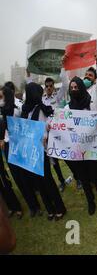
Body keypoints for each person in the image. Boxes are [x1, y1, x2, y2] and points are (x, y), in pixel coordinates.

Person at [64, 77, 97, 215]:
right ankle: (91, 202)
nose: (73, 90)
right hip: (77, 150)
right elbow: (64, 127)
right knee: (83, 178)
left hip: (92, 148)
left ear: (81, 88)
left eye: (76, 87)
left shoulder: (91, 104)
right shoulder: (67, 108)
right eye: (71, 88)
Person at [22, 83, 67, 221]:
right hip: (30, 151)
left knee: (47, 181)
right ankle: (50, 209)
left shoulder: (41, 109)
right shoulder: (25, 110)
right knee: (38, 183)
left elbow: (48, 125)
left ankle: (60, 208)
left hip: (42, 150)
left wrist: (46, 136)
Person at [26, 71, 68, 192]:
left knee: (66, 156)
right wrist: (29, 76)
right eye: (47, 86)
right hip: (47, 133)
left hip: (59, 131)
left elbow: (65, 85)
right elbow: (31, 90)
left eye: (51, 85)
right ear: (45, 87)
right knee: (53, 159)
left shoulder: (58, 97)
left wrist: (62, 69)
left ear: (54, 86)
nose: (49, 88)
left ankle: (78, 178)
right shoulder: (41, 99)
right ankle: (61, 180)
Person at [0, 87, 23, 219]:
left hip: (12, 144)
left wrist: (2, 138)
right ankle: (9, 207)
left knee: (6, 179)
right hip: (7, 145)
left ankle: (17, 207)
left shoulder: (13, 109)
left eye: (1, 97)